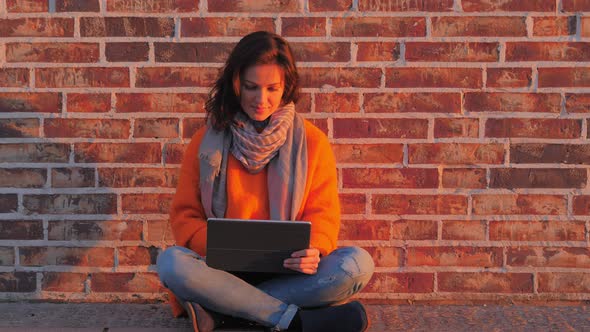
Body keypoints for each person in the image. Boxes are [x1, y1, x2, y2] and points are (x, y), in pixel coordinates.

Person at [156, 31, 375, 332]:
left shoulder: (312, 142)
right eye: (251, 87)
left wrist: (314, 250)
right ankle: (292, 320)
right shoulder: (205, 142)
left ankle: (226, 314)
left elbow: (323, 217)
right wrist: (219, 247)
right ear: (235, 85)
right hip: (220, 272)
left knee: (357, 264)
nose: (262, 100)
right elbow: (185, 218)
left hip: (290, 274)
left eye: (272, 88)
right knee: (170, 263)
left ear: (287, 87)